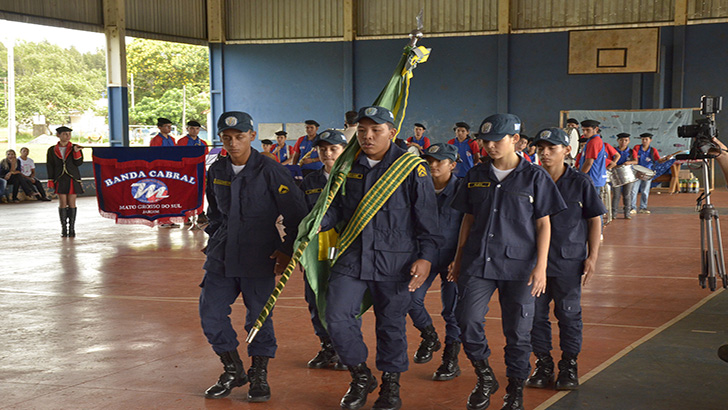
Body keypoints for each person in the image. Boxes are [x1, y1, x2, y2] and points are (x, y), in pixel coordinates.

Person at [321, 105, 440, 410]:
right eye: (362, 131)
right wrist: (319, 221)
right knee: (335, 316)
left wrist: (426, 258)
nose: (368, 136)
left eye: (376, 130)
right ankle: (361, 376)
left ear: (392, 132)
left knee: (391, 325)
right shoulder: (349, 165)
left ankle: (390, 384)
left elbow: (428, 220)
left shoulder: (411, 168)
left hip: (397, 261)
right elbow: (339, 208)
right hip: (353, 255)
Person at [448, 114, 566, 410]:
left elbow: (544, 224)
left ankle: (515, 390)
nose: (489, 146)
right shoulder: (475, 174)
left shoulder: (535, 177)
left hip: (520, 267)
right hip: (478, 262)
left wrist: (541, 267)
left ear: (515, 140)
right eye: (485, 141)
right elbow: (468, 219)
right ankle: (485, 375)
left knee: (518, 332)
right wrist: (458, 258)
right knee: (466, 319)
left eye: (496, 140)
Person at [199, 111, 307, 402]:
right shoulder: (217, 170)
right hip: (222, 254)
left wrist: (287, 250)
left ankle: (259, 373)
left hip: (259, 253)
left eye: (239, 137)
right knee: (210, 313)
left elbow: (297, 213)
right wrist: (214, 238)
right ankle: (233, 369)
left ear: (252, 136)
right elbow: (214, 212)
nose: (233, 143)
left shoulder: (270, 170)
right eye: (227, 138)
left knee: (258, 317)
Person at [526, 128, 606, 392]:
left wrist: (593, 256)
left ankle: (569, 366)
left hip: (568, 262)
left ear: (567, 150)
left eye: (552, 148)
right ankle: (543, 364)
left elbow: (594, 219)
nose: (545, 153)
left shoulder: (580, 182)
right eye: (541, 149)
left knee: (569, 315)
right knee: (534, 316)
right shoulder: (529, 179)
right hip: (532, 263)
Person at [407, 143, 464, 381]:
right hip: (426, 257)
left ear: (452, 165)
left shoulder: (463, 190)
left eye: (439, 161)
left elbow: (471, 227)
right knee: (410, 299)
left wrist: (459, 259)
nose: (433, 165)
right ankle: (429, 336)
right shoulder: (418, 187)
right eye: (429, 160)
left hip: (453, 260)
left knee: (452, 310)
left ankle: (450, 359)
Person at [300, 129, 348, 371]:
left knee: (343, 301)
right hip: (315, 250)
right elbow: (300, 214)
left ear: (344, 151)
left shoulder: (354, 179)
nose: (327, 153)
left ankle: (345, 348)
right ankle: (327, 346)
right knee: (315, 298)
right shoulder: (310, 181)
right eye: (322, 149)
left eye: (333, 148)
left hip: (345, 249)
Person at [46, 126, 84, 237]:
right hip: (60, 178)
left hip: (72, 178)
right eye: (65, 134)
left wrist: (76, 152)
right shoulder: (52, 149)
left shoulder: (75, 147)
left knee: (72, 203)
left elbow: (79, 163)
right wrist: (50, 179)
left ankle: (72, 228)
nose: (67, 136)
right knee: (62, 203)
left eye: (69, 134)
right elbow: (50, 165)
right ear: (58, 135)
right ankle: (64, 228)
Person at [630, 133, 674, 214]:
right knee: (633, 190)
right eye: (643, 139)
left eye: (646, 139)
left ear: (650, 140)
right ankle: (633, 208)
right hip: (637, 172)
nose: (644, 141)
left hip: (648, 173)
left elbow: (659, 161)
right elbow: (634, 158)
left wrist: (666, 159)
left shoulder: (653, 150)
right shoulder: (637, 147)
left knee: (645, 191)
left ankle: (643, 207)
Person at [612, 133, 638, 220]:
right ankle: (613, 214)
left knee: (627, 195)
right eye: (621, 140)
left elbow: (636, 161)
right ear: (618, 141)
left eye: (626, 140)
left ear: (629, 141)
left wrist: (629, 162)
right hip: (616, 174)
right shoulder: (613, 150)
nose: (623, 142)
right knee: (616, 195)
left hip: (628, 175)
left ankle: (627, 213)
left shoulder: (631, 151)